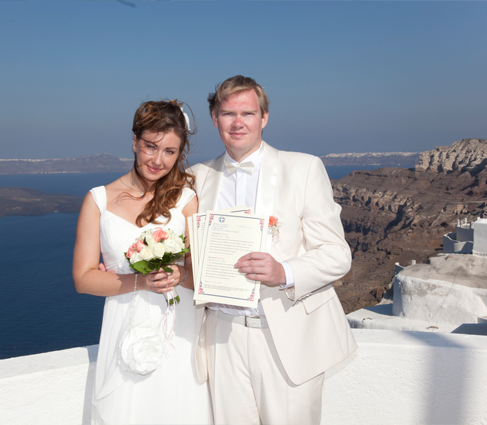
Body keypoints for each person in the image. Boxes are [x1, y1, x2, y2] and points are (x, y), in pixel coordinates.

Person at [190, 76, 357, 424]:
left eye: (248, 113)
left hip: (288, 337)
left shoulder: (304, 168)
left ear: (264, 118)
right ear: (214, 118)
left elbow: (338, 254)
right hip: (222, 338)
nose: (238, 123)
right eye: (227, 114)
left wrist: (285, 272)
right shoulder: (196, 177)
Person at [73, 100, 212, 425]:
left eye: (170, 152)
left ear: (180, 153)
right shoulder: (98, 201)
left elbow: (202, 274)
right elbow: (83, 278)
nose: (158, 160)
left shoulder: (186, 201)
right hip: (124, 326)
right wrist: (139, 281)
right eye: (151, 147)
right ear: (135, 142)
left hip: (177, 331)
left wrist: (179, 274)